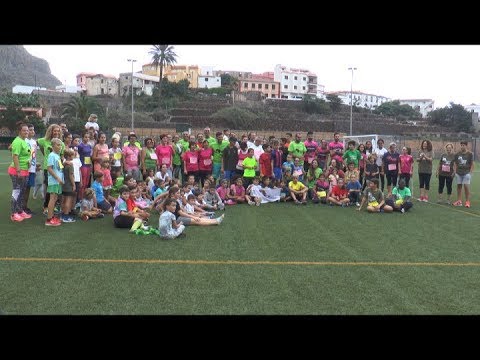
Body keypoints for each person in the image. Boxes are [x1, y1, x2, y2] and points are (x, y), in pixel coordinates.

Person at [8, 123, 32, 222]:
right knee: (17, 191)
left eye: (27, 130)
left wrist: (29, 162)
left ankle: (20, 211)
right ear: (19, 131)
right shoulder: (17, 141)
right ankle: (14, 214)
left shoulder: (24, 141)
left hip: (25, 171)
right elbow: (15, 156)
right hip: (17, 171)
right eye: (24, 130)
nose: (26, 132)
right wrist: (18, 171)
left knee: (22, 192)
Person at [45, 138, 64, 226]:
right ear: (52, 146)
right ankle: (49, 219)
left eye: (60, 145)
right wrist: (57, 178)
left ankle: (52, 217)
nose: (60, 147)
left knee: (55, 198)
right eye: (58, 145)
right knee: (52, 199)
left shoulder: (57, 156)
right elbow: (49, 168)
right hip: (54, 181)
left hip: (58, 181)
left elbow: (60, 168)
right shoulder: (52, 155)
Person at [453, 140, 474, 208]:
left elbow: (472, 164)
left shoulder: (470, 154)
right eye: (461, 145)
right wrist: (455, 172)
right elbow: (455, 163)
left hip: (466, 173)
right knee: (459, 186)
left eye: (463, 145)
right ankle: (459, 201)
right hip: (458, 173)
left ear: (466, 146)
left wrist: (470, 173)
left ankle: (467, 201)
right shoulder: (457, 154)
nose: (462, 146)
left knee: (466, 186)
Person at [23, 123, 37, 215]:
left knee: (28, 188)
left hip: (32, 168)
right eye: (30, 130)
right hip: (24, 168)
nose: (32, 131)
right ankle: (20, 207)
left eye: (32, 129)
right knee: (22, 188)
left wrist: (36, 164)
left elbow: (33, 155)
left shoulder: (34, 142)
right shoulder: (23, 141)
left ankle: (24, 207)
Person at [60, 149, 76, 223]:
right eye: (73, 155)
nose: (74, 156)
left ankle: (62, 215)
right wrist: (73, 184)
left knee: (64, 200)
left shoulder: (64, 164)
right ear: (69, 156)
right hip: (69, 185)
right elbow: (71, 175)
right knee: (68, 200)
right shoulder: (70, 165)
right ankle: (66, 216)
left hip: (63, 184)